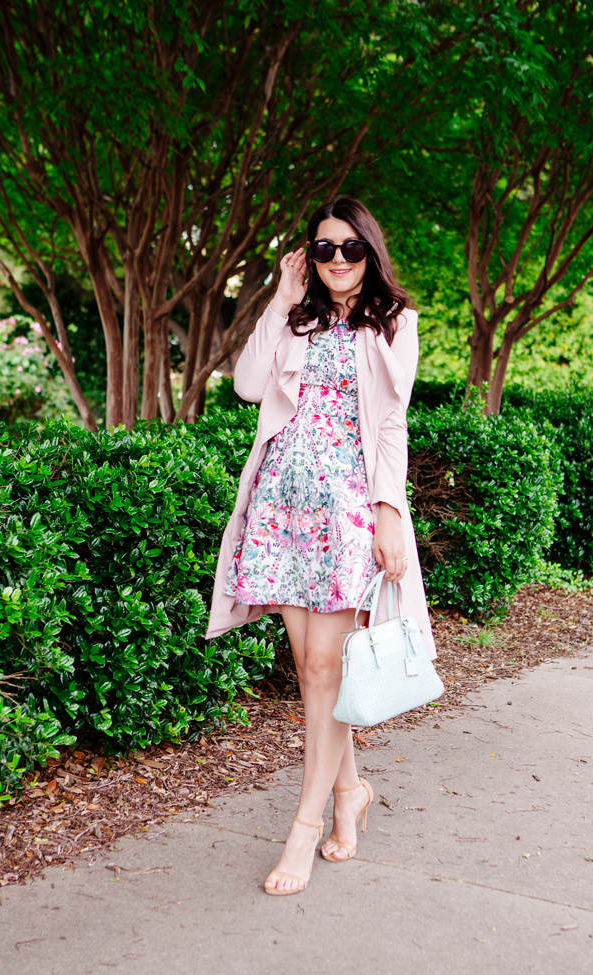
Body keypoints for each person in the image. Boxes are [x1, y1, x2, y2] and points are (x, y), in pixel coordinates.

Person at [206, 196, 436, 895]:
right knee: (310, 668)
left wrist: (390, 512)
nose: (338, 260)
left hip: (345, 515)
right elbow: (248, 386)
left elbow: (390, 427)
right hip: (282, 509)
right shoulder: (297, 317)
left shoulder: (394, 323)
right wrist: (280, 295)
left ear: (370, 251)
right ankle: (350, 792)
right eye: (324, 248)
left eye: (350, 248)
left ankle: (303, 826)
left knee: (323, 668)